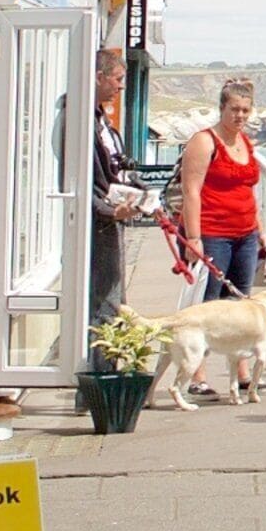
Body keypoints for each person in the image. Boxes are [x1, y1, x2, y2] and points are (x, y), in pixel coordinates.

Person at [172, 76, 264, 301]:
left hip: (246, 236)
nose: (239, 115)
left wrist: (260, 231)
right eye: (234, 109)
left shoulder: (244, 141)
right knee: (209, 303)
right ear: (222, 108)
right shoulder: (204, 142)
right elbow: (191, 192)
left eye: (245, 110)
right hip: (213, 235)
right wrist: (193, 239)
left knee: (240, 302)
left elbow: (247, 190)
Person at [87, 49, 148, 331]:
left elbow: (115, 170)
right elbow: (79, 182)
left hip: (109, 222)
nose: (122, 86)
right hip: (96, 225)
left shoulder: (102, 122)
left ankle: (109, 365)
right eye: (118, 79)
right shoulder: (79, 122)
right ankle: (101, 369)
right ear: (99, 77)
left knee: (114, 299)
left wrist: (140, 191)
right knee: (105, 304)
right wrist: (110, 212)